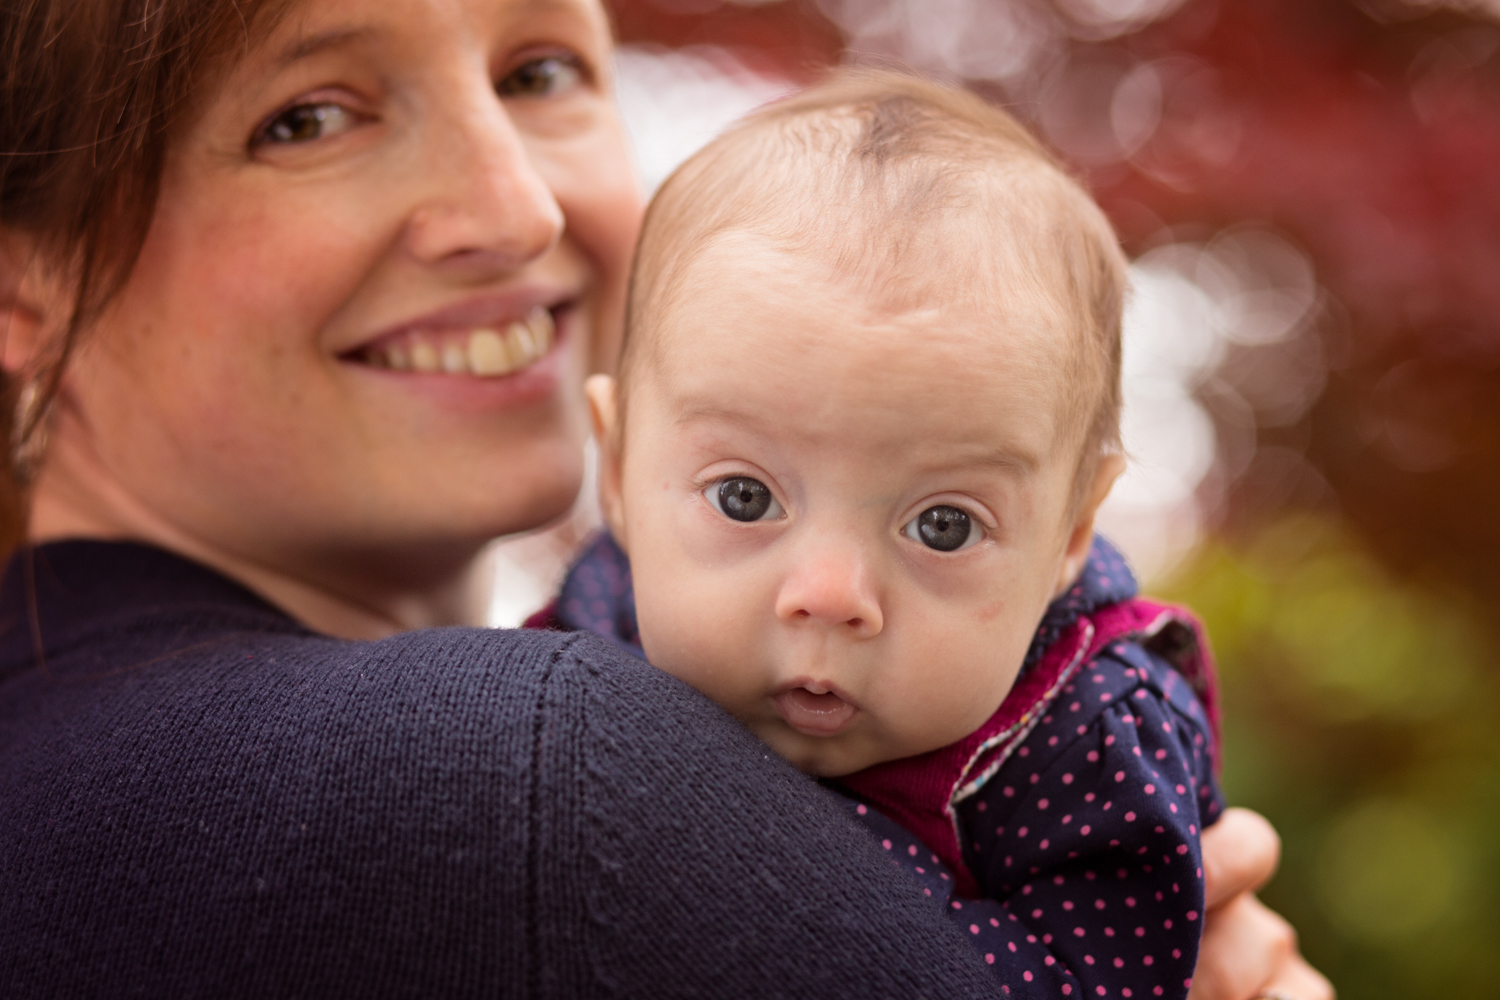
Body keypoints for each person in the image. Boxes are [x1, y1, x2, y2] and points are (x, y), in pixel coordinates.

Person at [0, 0, 1329, 997]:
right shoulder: (525, 790)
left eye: (539, 72)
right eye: (309, 117)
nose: (514, 209)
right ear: (19, 288)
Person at [540, 69, 1219, 999]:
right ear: (618, 475)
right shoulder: (582, 632)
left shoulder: (1091, 741)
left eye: (943, 526)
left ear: (1071, 533)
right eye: (744, 499)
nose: (828, 593)